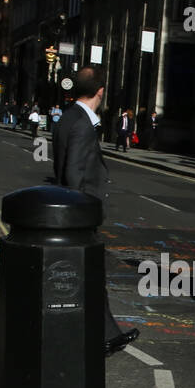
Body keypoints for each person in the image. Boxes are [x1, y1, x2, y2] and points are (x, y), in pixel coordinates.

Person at [52, 65, 140, 355]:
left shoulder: (70, 117)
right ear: (100, 92)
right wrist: (77, 216)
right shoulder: (81, 123)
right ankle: (102, 336)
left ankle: (105, 335)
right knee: (78, 275)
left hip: (77, 211)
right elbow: (74, 172)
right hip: (80, 212)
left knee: (87, 274)